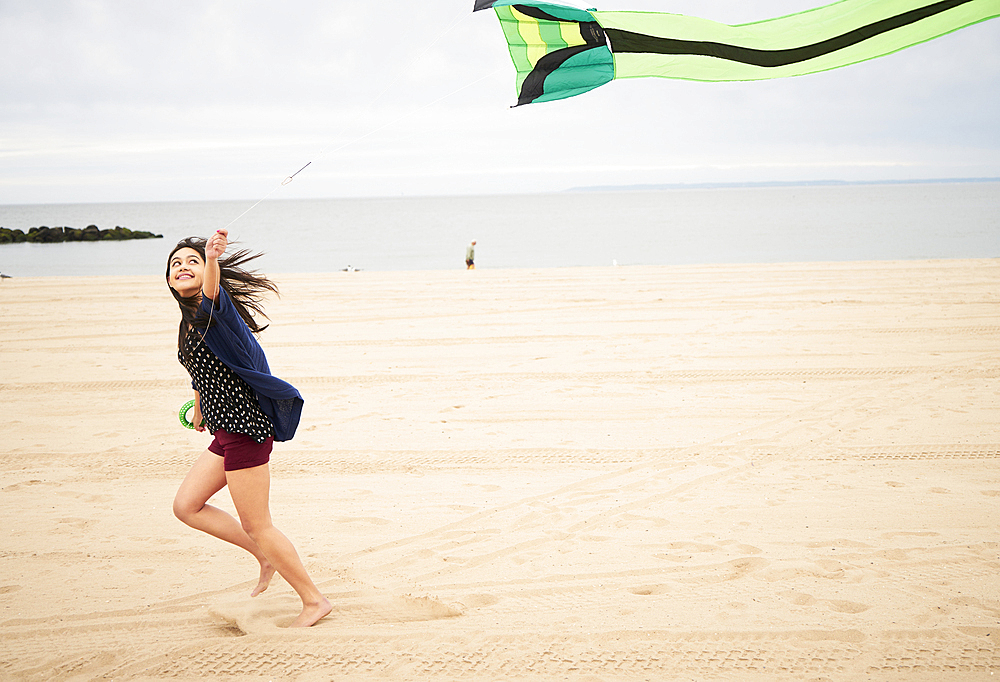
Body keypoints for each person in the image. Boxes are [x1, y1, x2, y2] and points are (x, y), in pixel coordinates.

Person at [166, 229, 331, 628]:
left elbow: (211, 295)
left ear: (209, 273)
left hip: (245, 431)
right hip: (224, 431)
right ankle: (262, 554)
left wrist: (214, 256)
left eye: (193, 261)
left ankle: (314, 600)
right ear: (168, 280)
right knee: (186, 506)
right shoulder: (188, 321)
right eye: (175, 264)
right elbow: (200, 369)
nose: (184, 267)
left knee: (260, 525)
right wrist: (202, 403)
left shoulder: (211, 309)